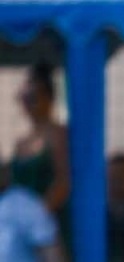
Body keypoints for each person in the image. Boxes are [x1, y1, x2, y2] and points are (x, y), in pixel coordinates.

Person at [11, 64, 70, 218]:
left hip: (49, 222)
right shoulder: (21, 142)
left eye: (33, 98)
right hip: (22, 222)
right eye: (24, 98)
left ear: (49, 98)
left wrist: (37, 215)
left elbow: (63, 182)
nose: (28, 104)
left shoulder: (59, 135)